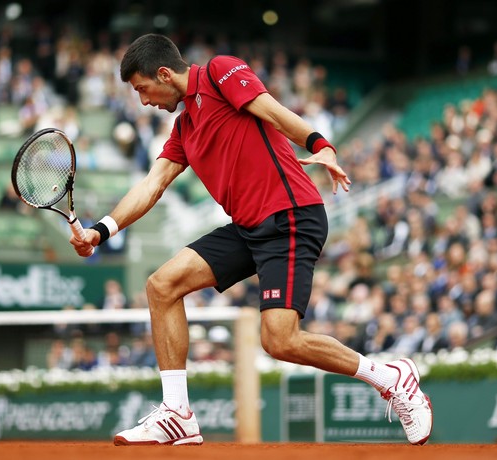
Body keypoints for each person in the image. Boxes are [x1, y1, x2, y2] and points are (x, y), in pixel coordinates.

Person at [69, 34, 432, 446]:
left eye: (142, 89)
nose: (143, 100)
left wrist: (322, 145)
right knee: (162, 286)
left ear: (164, 74)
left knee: (279, 340)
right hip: (248, 227)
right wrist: (101, 230)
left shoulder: (222, 71)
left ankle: (389, 376)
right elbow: (152, 184)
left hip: (290, 216)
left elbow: (274, 112)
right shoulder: (185, 127)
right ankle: (177, 413)